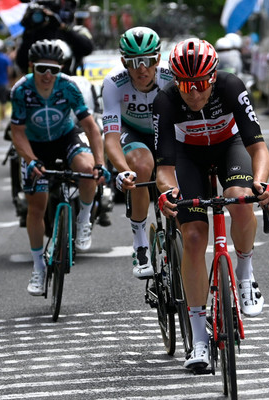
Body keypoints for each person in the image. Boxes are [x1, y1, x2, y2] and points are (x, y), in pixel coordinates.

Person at [152, 38, 269, 369]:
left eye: (200, 84)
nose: (193, 93)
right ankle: (199, 340)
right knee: (193, 236)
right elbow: (163, 170)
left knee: (239, 199)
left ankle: (246, 273)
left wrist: (261, 183)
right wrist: (167, 192)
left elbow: (258, 148)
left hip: (229, 148)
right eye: (185, 85)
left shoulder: (231, 85)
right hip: (187, 157)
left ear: (213, 76)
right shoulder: (164, 101)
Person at [10, 39, 108, 296]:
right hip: (35, 145)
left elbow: (91, 128)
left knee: (87, 169)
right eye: (42, 69)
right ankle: (38, 267)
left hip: (65, 137)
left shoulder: (69, 86)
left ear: (61, 68)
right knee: (36, 206)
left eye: (54, 70)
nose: (47, 75)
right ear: (31, 66)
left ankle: (85, 218)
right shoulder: (21, 90)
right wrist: (30, 160)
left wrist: (100, 163)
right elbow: (17, 133)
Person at [102, 26, 173, 279]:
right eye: (134, 62)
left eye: (148, 60)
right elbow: (110, 139)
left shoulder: (171, 76)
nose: (142, 68)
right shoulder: (113, 83)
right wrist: (124, 171)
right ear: (124, 62)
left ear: (158, 58)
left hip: (163, 128)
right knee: (142, 167)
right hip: (131, 131)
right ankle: (140, 241)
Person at [16, 0, 94, 76]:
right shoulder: (35, 31)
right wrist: (29, 29)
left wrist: (62, 27)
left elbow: (87, 48)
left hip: (68, 81)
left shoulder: (76, 30)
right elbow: (22, 62)